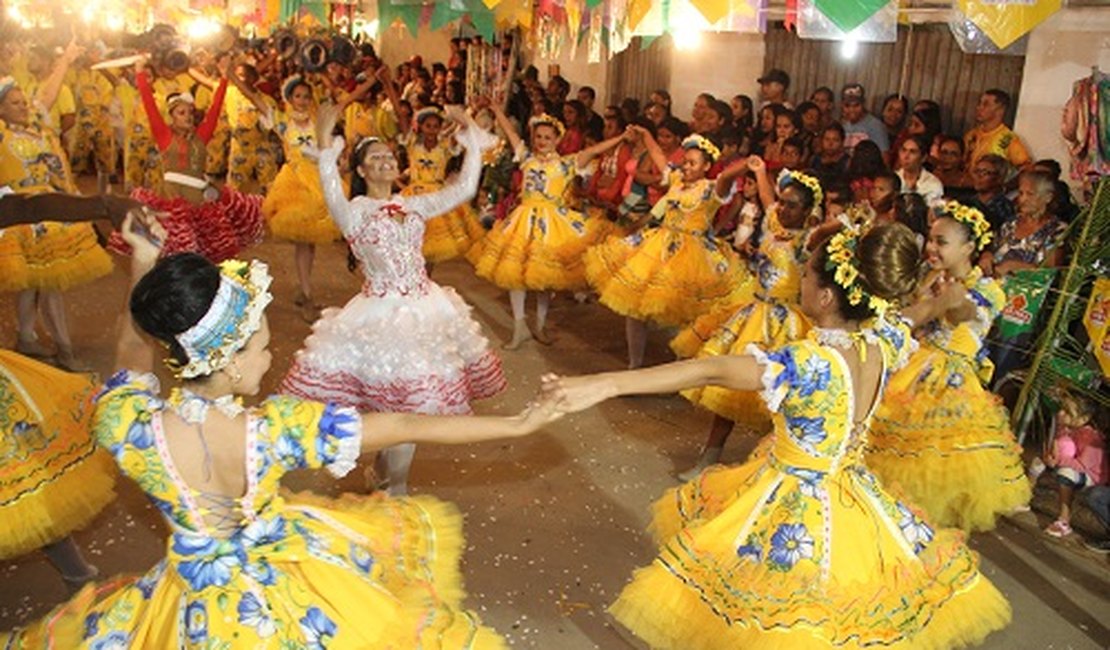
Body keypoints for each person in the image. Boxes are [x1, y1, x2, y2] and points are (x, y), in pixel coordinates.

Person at [1, 208, 561, 648]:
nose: (272, 359)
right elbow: (403, 423)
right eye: (264, 348)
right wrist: (519, 420)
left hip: (190, 601)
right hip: (288, 586)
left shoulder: (128, 423)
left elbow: (131, 347)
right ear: (229, 360)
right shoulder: (272, 431)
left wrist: (143, 261)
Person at [543, 221, 1011, 649]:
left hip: (797, 506)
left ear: (827, 296)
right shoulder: (882, 343)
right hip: (854, 497)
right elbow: (908, 315)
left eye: (807, 274)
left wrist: (607, 383)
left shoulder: (810, 364)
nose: (800, 281)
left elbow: (710, 368)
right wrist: (934, 300)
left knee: (779, 623)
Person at [282, 106, 507, 497]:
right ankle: (395, 488)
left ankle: (387, 477)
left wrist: (471, 139)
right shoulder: (352, 212)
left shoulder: (414, 204)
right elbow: (330, 183)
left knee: (408, 409)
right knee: (399, 411)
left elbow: (465, 189)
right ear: (363, 171)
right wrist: (324, 141)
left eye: (388, 155)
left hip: (426, 310)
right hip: (380, 318)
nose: (385, 160)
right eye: (375, 158)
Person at [866, 203, 1031, 532]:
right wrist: (923, 295)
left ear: (969, 248)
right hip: (910, 373)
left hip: (950, 388)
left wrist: (948, 299)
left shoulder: (987, 289)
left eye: (941, 242)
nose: (931, 247)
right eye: (930, 239)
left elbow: (964, 314)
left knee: (936, 476)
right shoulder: (928, 280)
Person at [672, 163, 822, 479]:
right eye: (783, 202)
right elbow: (768, 198)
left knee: (775, 399)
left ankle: (764, 466)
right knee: (728, 391)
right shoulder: (773, 222)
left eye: (792, 205)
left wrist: (848, 223)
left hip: (785, 326)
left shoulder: (805, 241)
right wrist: (760, 171)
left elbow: (828, 230)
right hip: (752, 315)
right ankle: (707, 459)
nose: (783, 208)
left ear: (808, 211)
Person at [585, 132, 756, 369]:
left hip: (692, 254)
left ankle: (679, 368)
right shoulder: (676, 179)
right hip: (659, 247)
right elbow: (658, 156)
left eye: (693, 163)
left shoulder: (710, 189)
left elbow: (726, 176)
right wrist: (645, 135)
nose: (686, 166)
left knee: (685, 315)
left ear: (706, 166)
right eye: (685, 161)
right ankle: (635, 364)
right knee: (635, 307)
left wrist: (745, 165)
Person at [468, 106, 629, 350]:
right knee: (516, 273)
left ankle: (540, 325)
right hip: (523, 221)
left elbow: (594, 150)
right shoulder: (526, 158)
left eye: (547, 137)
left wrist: (621, 138)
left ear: (557, 140)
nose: (542, 141)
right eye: (539, 137)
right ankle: (520, 326)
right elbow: (510, 132)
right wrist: (497, 110)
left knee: (545, 277)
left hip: (552, 223)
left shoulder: (566, 164)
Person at [0, 73, 113, 371]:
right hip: (20, 216)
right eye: (15, 104)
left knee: (34, 282)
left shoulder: (37, 127)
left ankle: (26, 337)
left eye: (24, 102)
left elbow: (48, 94)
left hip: (48, 214)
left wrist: (65, 60)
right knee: (48, 284)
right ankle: (65, 351)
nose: (24, 107)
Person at [108, 56, 264, 265]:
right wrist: (139, 73)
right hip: (170, 200)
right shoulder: (164, 136)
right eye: (182, 113)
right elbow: (149, 105)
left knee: (205, 256)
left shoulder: (201, 138)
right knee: (172, 255)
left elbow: (215, 109)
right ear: (172, 116)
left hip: (199, 201)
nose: (188, 116)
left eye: (190, 112)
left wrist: (225, 77)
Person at [399, 105, 485, 264]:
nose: (432, 130)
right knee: (412, 242)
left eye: (436, 126)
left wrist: (462, 112)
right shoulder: (411, 143)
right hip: (414, 194)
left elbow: (465, 126)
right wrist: (388, 86)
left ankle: (426, 283)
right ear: (421, 126)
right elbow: (400, 114)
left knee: (431, 246)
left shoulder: (446, 146)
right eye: (428, 126)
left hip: (436, 198)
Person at [1029, 394, 1106, 538]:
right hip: (1069, 465)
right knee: (1037, 462)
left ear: (1084, 419)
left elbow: (1082, 466)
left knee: (1066, 473)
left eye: (1067, 412)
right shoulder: (1065, 429)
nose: (1060, 413)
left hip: (1091, 477)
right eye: (1062, 409)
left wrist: (1058, 460)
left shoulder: (1091, 438)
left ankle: (1064, 520)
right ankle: (1025, 496)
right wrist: (1049, 458)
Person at [963, 89, 1030, 170]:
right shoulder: (971, 135)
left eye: (986, 104)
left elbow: (1026, 167)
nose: (979, 107)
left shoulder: (1008, 139)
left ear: (1000, 110)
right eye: (979, 103)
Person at [895, 135, 943, 207]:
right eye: (903, 150)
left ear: (923, 158)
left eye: (912, 152)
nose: (906, 156)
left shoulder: (933, 184)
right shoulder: (892, 178)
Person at [840, 83, 889, 153]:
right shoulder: (843, 126)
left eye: (856, 105)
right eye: (847, 106)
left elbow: (884, 157)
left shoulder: (876, 126)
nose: (852, 110)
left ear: (863, 104)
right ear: (842, 106)